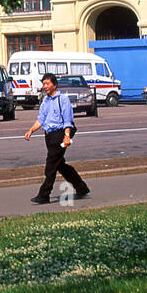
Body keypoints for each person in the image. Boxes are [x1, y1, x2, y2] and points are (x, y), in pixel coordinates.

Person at [24, 73, 90, 204]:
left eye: (47, 84)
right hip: (49, 136)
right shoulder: (45, 100)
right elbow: (41, 119)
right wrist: (31, 130)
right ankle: (81, 187)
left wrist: (66, 136)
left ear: (55, 85)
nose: (45, 86)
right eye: (43, 84)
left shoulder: (63, 99)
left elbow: (67, 120)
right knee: (60, 165)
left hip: (60, 134)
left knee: (51, 165)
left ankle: (44, 194)